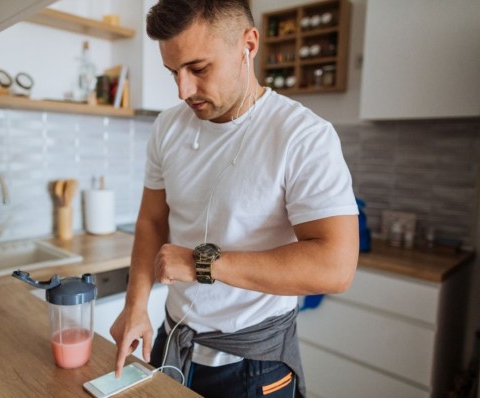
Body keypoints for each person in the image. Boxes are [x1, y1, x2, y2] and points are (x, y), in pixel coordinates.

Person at [109, 1, 359, 397]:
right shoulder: (167, 127)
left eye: (198, 68)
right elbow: (151, 222)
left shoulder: (303, 136)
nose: (183, 90)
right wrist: (136, 306)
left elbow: (336, 267)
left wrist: (201, 264)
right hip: (172, 344)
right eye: (173, 72)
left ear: (248, 44)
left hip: (252, 366)